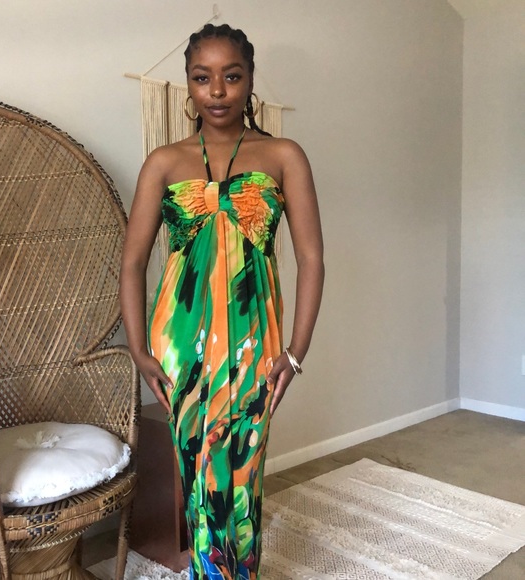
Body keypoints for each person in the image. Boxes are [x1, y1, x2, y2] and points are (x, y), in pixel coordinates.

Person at [120, 23, 324, 580]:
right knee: (197, 473)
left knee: (241, 471)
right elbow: (132, 262)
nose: (216, 91)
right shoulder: (163, 162)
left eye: (231, 77)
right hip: (180, 343)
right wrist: (138, 349)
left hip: (255, 341)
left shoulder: (283, 155)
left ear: (251, 80)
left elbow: (312, 260)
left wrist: (297, 352)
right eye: (201, 77)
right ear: (188, 84)